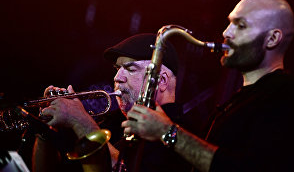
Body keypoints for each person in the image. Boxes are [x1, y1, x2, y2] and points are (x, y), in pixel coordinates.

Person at [122, 0, 294, 172]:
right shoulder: (237, 101)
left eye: (241, 25)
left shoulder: (287, 94)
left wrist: (166, 131)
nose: (226, 33)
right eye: (230, 23)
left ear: (272, 39)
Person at [32, 33, 194, 172]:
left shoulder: (181, 136)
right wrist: (47, 130)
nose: (117, 78)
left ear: (161, 80)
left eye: (130, 69)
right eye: (117, 69)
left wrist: (80, 121)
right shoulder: (111, 122)